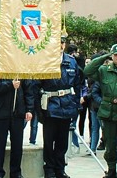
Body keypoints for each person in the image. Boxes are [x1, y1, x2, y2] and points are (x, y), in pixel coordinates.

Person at [33, 38, 84, 178]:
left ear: (64, 45)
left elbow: (78, 85)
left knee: (62, 142)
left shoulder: (71, 61)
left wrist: (75, 105)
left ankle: (60, 169)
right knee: (49, 141)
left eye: (62, 43)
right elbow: (36, 86)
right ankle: (49, 169)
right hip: (50, 106)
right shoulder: (44, 60)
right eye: (57, 43)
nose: (60, 46)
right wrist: (38, 110)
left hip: (67, 105)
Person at [84, 44, 117, 178]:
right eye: (115, 55)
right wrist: (104, 57)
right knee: (110, 145)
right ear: (112, 56)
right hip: (108, 112)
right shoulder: (104, 70)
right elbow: (87, 71)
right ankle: (111, 170)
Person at [0, 63, 33, 178]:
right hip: (1, 114)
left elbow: (29, 91)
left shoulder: (21, 69)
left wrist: (29, 109)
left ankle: (16, 172)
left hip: (18, 114)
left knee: (17, 146)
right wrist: (10, 84)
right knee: (0, 145)